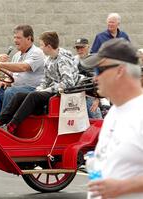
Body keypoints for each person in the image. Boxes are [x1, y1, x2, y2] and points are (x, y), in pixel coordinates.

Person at [82, 38, 143, 198]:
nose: (95, 78)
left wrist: (123, 187)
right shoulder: (115, 111)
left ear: (120, 70)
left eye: (99, 70)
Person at [0, 31, 79, 134]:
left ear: (48, 46)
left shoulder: (63, 59)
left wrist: (46, 89)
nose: (40, 48)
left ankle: (12, 126)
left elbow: (68, 83)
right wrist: (41, 88)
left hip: (61, 93)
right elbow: (46, 79)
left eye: (41, 45)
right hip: (51, 91)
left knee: (33, 96)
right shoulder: (48, 59)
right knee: (18, 95)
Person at [0, 25, 46, 119]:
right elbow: (11, 74)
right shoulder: (16, 55)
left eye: (19, 38)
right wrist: (5, 81)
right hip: (16, 88)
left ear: (29, 38)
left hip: (33, 90)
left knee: (10, 92)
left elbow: (24, 67)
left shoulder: (37, 52)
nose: (15, 41)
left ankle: (4, 123)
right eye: (14, 37)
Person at [73, 38, 102, 119]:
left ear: (87, 47)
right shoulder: (74, 60)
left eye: (82, 47)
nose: (79, 50)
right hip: (77, 95)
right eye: (77, 48)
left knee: (96, 118)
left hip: (91, 95)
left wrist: (97, 99)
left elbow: (99, 79)